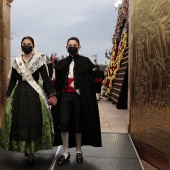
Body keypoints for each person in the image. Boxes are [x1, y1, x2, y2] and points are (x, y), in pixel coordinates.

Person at [0, 36, 57, 163]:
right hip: (19, 94)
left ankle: (31, 152)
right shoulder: (17, 61)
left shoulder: (39, 60)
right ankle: (23, 147)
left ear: (33, 45)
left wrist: (51, 94)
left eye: (29, 43)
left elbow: (46, 79)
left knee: (33, 120)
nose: (26, 45)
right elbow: (13, 80)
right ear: (21, 46)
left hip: (34, 94)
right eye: (24, 43)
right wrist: (8, 95)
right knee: (19, 121)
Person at [53, 37, 102, 166]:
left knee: (78, 123)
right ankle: (65, 152)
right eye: (70, 45)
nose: (72, 47)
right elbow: (57, 83)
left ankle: (79, 150)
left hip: (79, 97)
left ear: (79, 47)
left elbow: (89, 81)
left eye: (75, 45)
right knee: (63, 122)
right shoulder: (61, 63)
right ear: (66, 47)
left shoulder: (85, 62)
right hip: (64, 97)